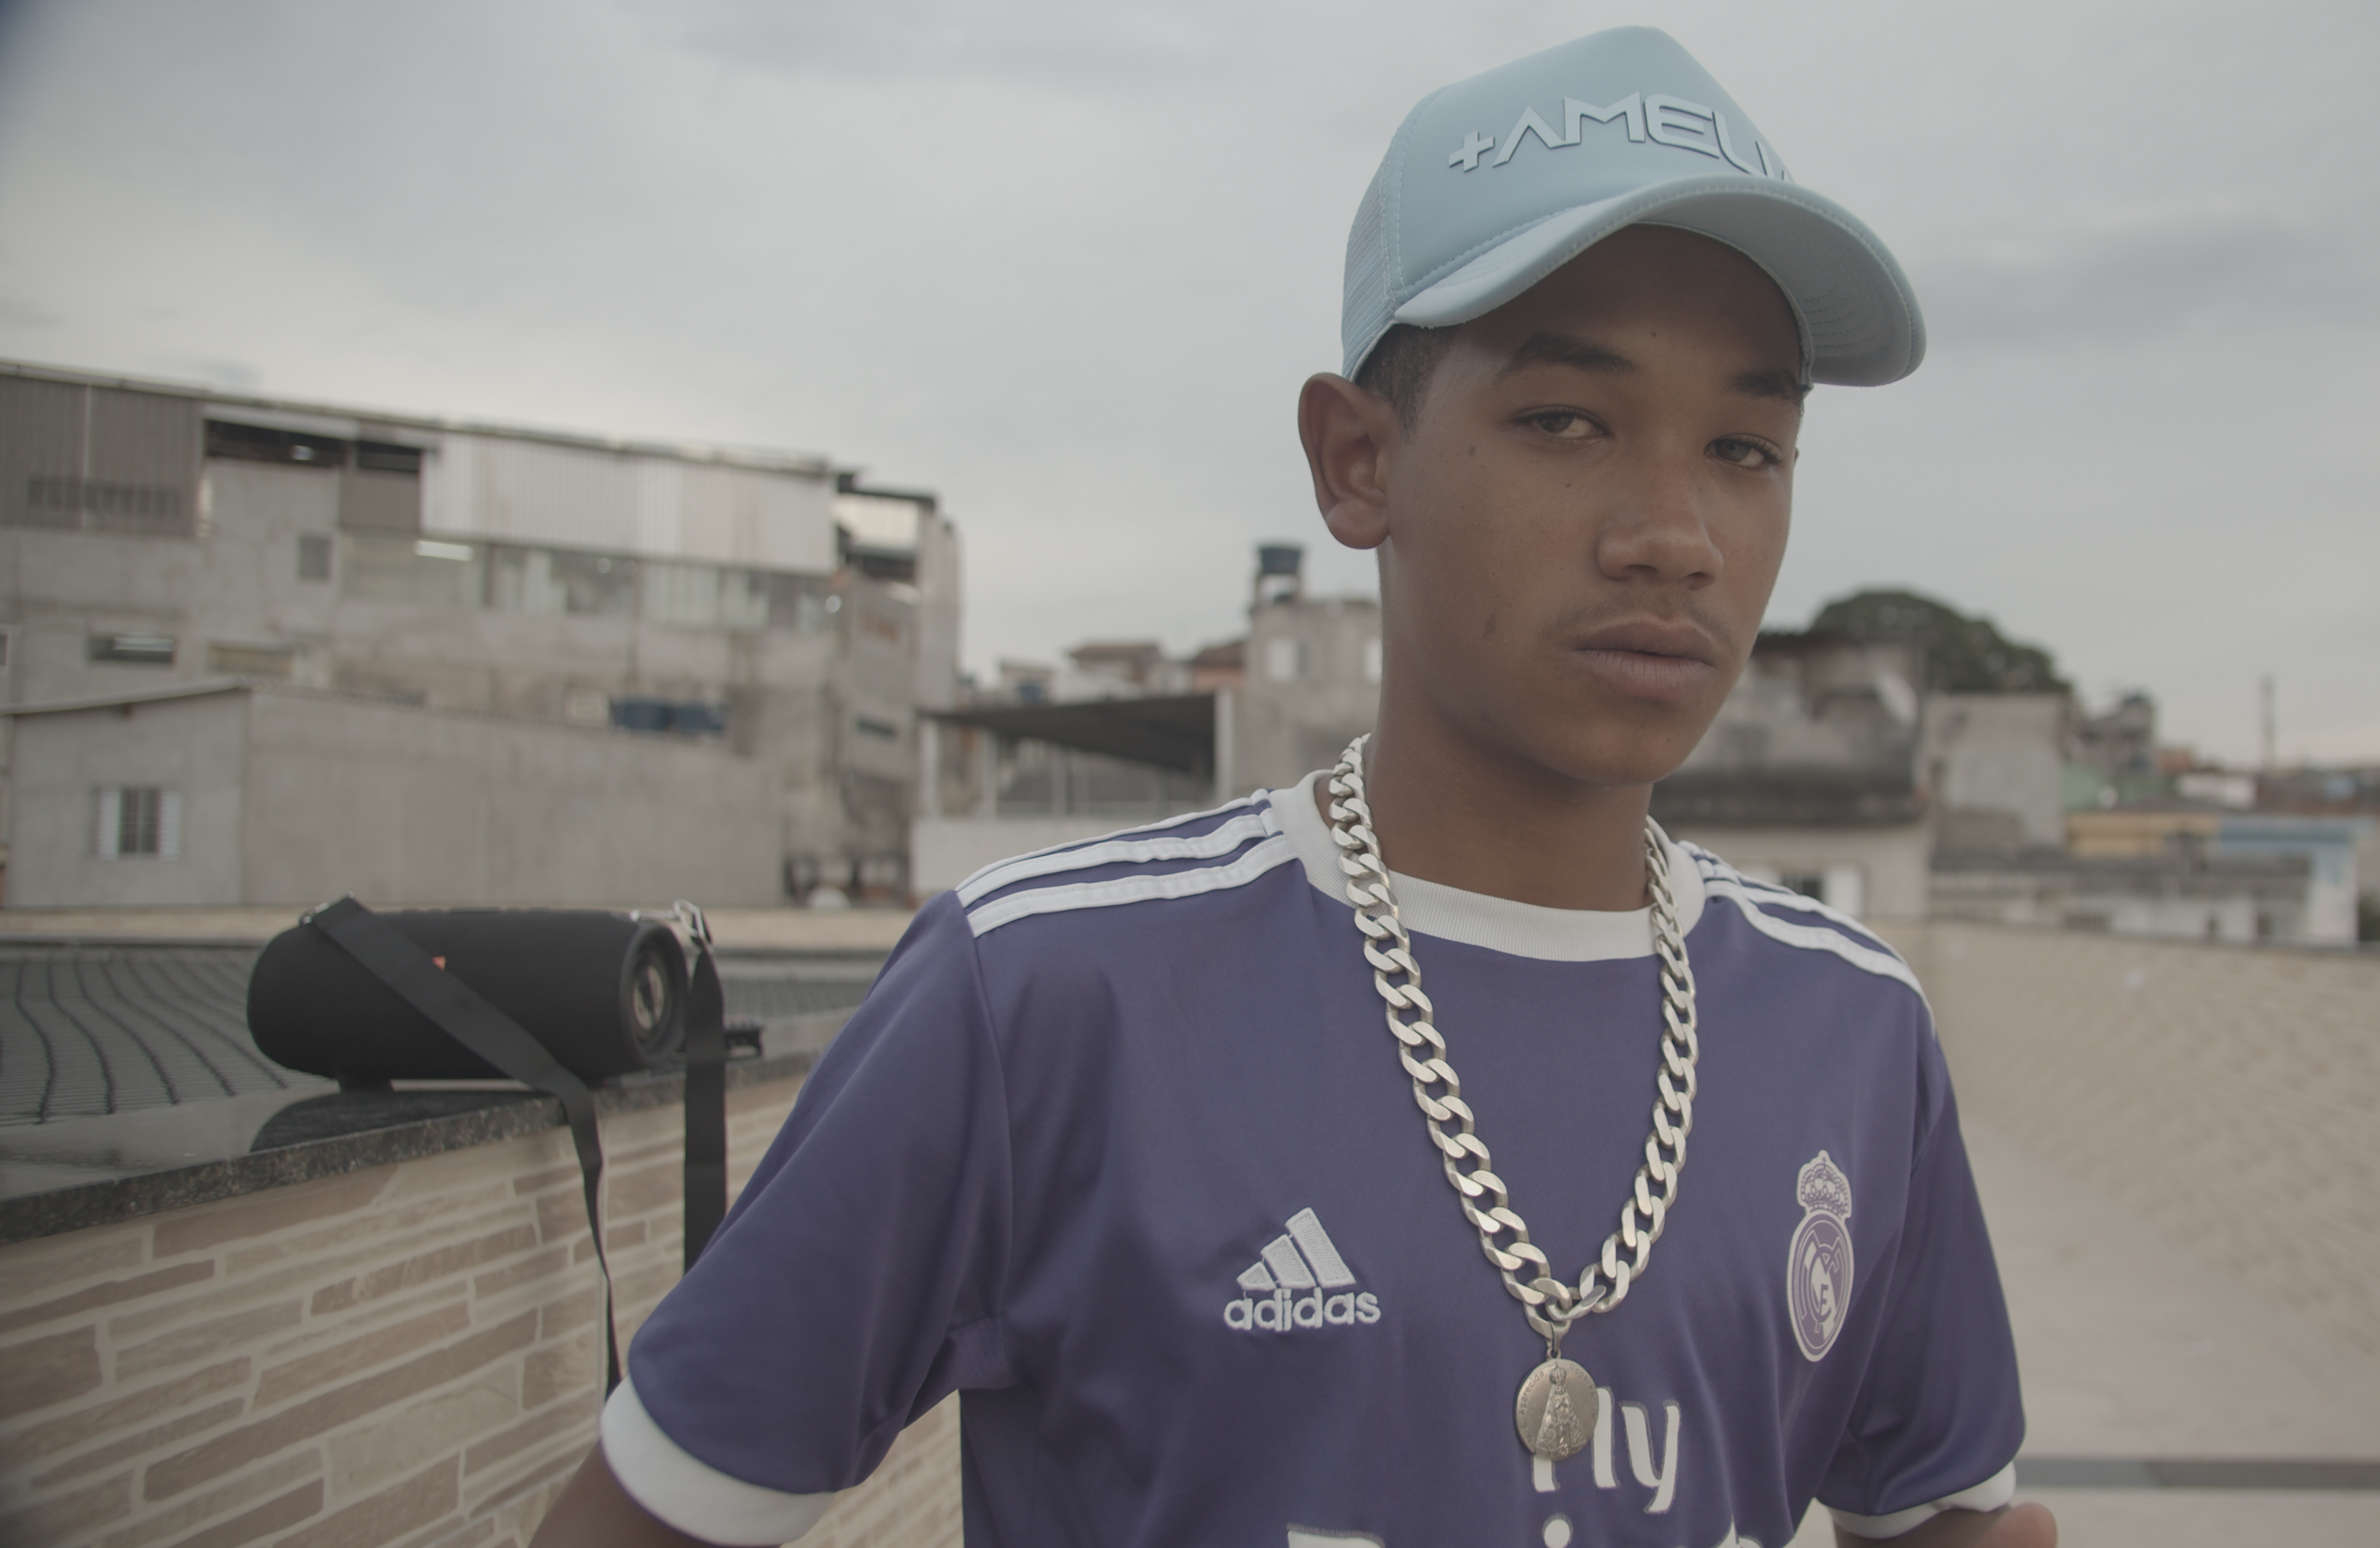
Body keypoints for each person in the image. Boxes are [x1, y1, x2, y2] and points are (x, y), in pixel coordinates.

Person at [532, 27, 2053, 1548]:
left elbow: (1941, 1521)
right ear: (1355, 462)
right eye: (1565, 420)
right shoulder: (1041, 997)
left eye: (1744, 445)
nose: (1675, 535)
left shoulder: (1853, 1027)